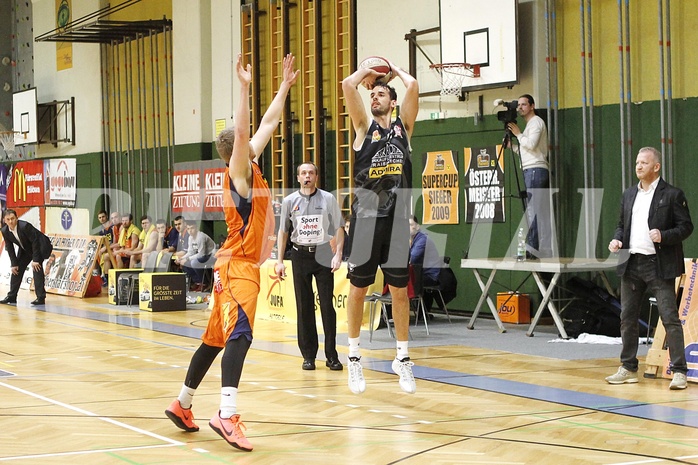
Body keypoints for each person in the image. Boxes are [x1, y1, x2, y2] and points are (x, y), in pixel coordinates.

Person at [165, 52, 299, 452]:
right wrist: (242, 88)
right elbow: (244, 134)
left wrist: (283, 89)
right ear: (237, 153)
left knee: (214, 340)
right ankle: (225, 413)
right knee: (241, 336)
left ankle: (183, 402)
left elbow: (267, 124)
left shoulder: (251, 165)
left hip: (232, 265)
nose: (252, 142)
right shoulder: (237, 173)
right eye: (245, 143)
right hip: (238, 266)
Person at [341, 57, 419, 394]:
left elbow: (413, 85)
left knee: (400, 291)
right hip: (367, 218)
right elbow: (347, 85)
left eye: (380, 94)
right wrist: (368, 74)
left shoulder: (404, 127)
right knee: (358, 288)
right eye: (371, 94)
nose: (374, 97)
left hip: (399, 219)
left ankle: (402, 359)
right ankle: (354, 357)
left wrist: (394, 70)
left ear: (393, 100)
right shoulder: (362, 128)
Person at [606, 147, 692, 390]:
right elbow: (621, 225)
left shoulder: (673, 195)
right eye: (637, 162)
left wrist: (663, 236)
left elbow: (686, 227)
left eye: (644, 163)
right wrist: (618, 240)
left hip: (658, 265)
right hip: (631, 263)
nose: (638, 166)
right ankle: (628, 367)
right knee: (627, 319)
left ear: (656, 167)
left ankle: (679, 371)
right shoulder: (629, 194)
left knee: (669, 318)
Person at [275, 162, 344, 371]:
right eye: (303, 173)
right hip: (299, 255)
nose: (307, 176)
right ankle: (308, 356)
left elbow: (340, 227)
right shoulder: (289, 201)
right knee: (304, 306)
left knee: (326, 306)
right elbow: (283, 233)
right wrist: (279, 261)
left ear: (316, 177)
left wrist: (338, 254)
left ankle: (332, 356)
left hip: (323, 253)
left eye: (311, 173)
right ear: (298, 178)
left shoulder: (328, 198)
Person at [507, 94, 551, 259]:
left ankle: (532, 250)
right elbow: (527, 151)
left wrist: (518, 134)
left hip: (535, 170)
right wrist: (513, 147)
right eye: (518, 105)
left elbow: (531, 145)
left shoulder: (536, 122)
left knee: (532, 211)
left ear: (532, 106)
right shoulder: (529, 126)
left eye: (523, 104)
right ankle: (537, 248)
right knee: (536, 211)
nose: (520, 108)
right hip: (531, 168)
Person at [0, 209, 53, 305]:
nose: (11, 221)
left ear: (17, 218)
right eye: (8, 219)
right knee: (17, 269)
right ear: (4, 220)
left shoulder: (24, 226)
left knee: (37, 267)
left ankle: (40, 297)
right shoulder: (4, 231)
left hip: (41, 246)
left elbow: (35, 241)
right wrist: (14, 264)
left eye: (12, 218)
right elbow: (10, 247)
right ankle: (12, 296)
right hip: (26, 248)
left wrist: (36, 259)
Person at [409, 215, 443, 312]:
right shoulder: (411, 240)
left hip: (430, 276)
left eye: (411, 224)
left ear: (418, 227)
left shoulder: (423, 239)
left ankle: (396, 314)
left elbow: (411, 259)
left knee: (399, 281)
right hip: (419, 273)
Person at [174, 222, 216, 292]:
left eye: (192, 228)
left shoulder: (200, 236)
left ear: (196, 228)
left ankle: (206, 283)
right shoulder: (190, 238)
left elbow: (201, 254)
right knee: (184, 264)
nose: (190, 231)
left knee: (194, 263)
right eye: (188, 229)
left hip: (211, 256)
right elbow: (190, 252)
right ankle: (198, 282)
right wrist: (181, 259)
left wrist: (187, 259)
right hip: (203, 256)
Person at [99, 210, 120, 284]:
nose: (102, 219)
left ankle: (116, 278)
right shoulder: (101, 230)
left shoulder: (113, 227)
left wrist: (108, 248)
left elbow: (119, 243)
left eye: (103, 217)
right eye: (100, 217)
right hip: (112, 247)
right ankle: (102, 275)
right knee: (97, 254)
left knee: (107, 255)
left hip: (119, 248)